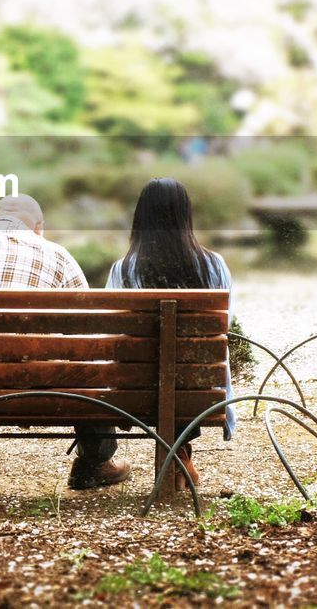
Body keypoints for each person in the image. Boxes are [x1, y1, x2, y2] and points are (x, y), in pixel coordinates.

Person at [0, 194, 132, 493]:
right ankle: (94, 461)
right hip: (37, 387)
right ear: (39, 227)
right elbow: (90, 338)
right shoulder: (58, 256)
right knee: (88, 359)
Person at [105, 177, 237, 490]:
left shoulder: (123, 270)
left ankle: (179, 457)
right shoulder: (214, 266)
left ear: (140, 219)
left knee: (156, 368)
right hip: (203, 392)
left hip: (137, 392)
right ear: (185, 217)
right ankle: (181, 454)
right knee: (183, 371)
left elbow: (113, 334)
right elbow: (225, 327)